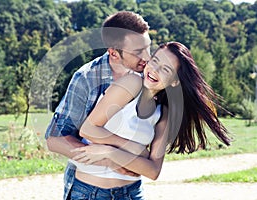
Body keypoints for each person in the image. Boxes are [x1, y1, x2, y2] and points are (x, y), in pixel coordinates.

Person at [70, 41, 231, 199]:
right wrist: (136, 149)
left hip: (132, 193)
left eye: (166, 69)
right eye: (155, 61)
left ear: (174, 82)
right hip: (91, 192)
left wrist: (109, 152)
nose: (155, 70)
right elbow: (89, 129)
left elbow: (153, 171)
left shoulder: (163, 113)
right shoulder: (131, 83)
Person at [45, 11, 151, 200]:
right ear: (113, 52)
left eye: (148, 47)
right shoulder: (86, 78)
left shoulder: (149, 76)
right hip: (89, 192)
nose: (147, 57)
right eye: (137, 52)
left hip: (133, 190)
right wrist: (110, 161)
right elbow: (54, 139)